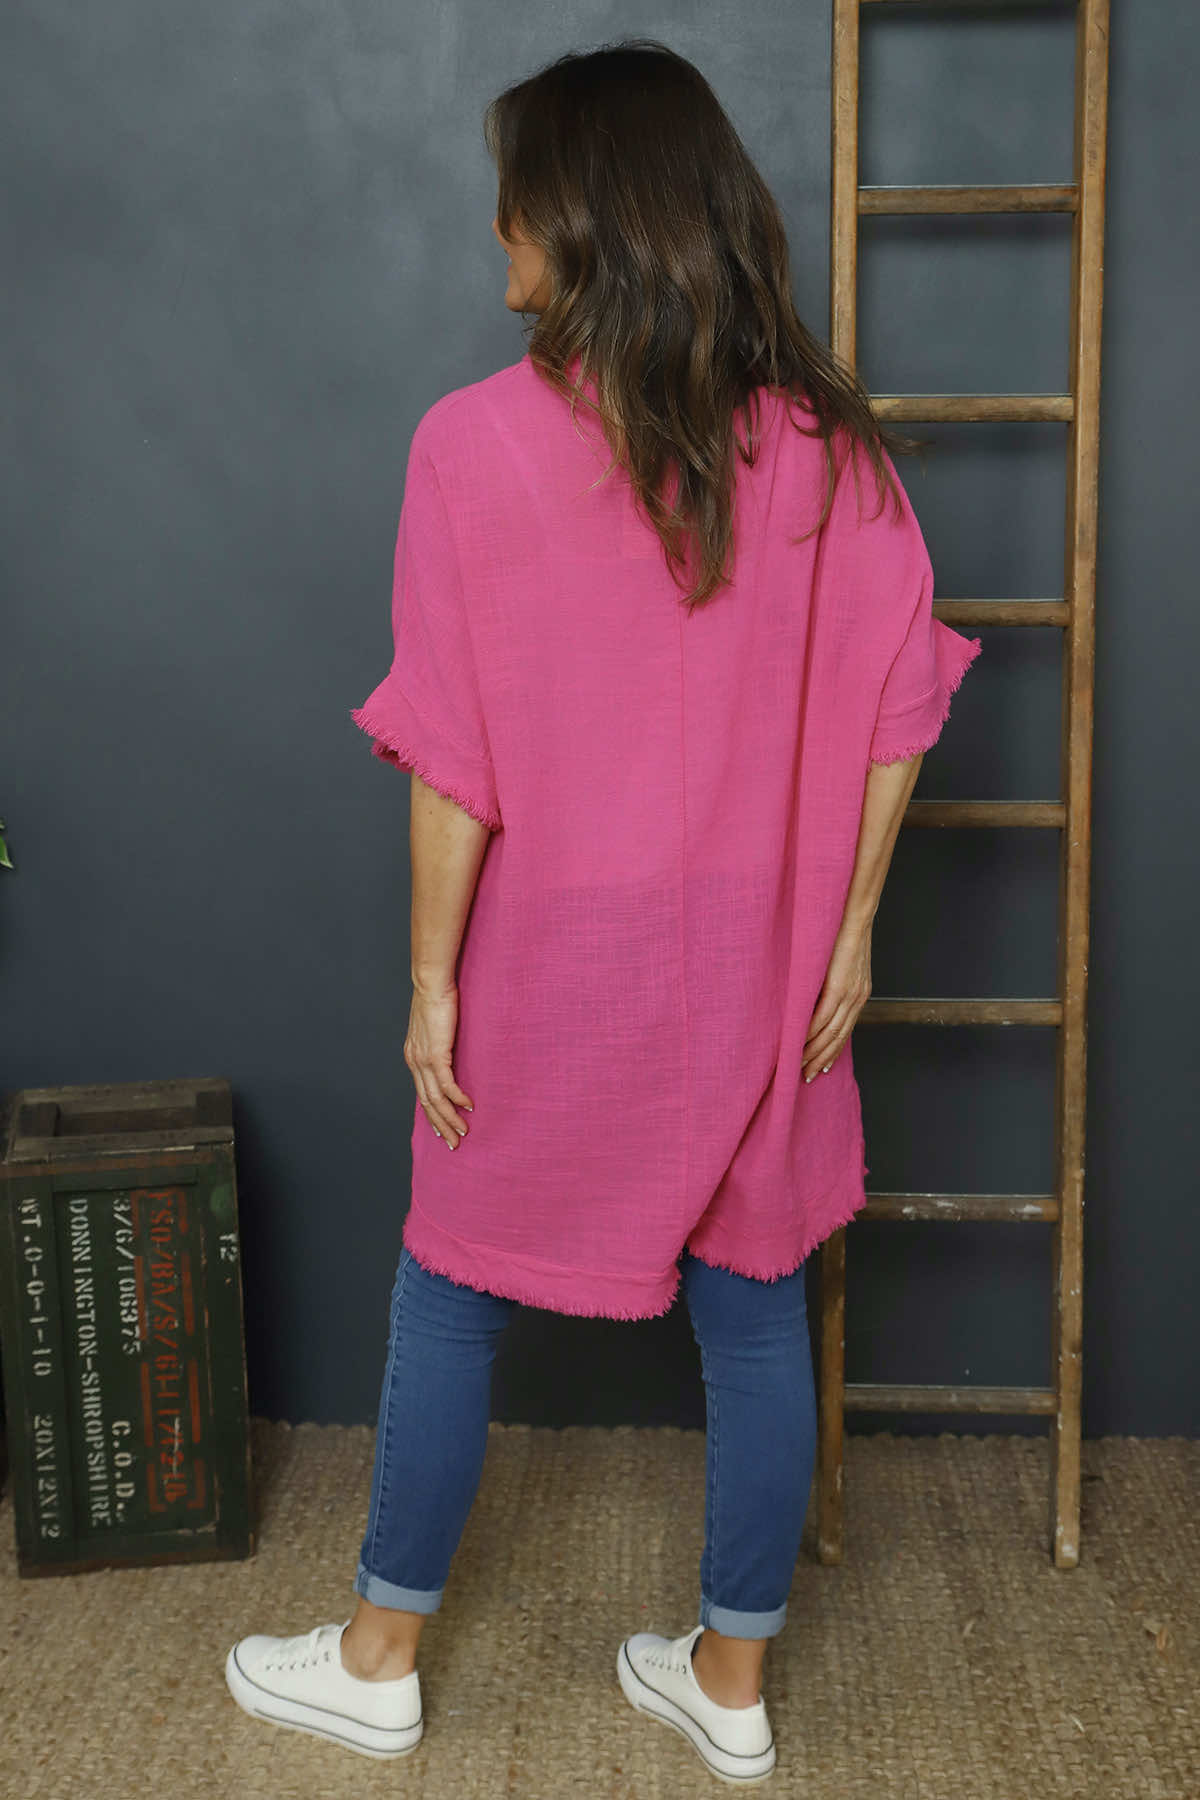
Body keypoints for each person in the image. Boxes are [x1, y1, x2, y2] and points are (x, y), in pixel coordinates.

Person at [223, 38, 982, 1785]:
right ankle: (730, 1681)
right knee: (758, 1292)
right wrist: (855, 930)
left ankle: (380, 1659)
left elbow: (455, 760)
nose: (497, 228)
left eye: (517, 196)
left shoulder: (470, 447)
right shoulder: (832, 453)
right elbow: (900, 713)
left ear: (576, 219)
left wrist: (431, 982)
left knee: (447, 1285)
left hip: (563, 960)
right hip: (768, 960)